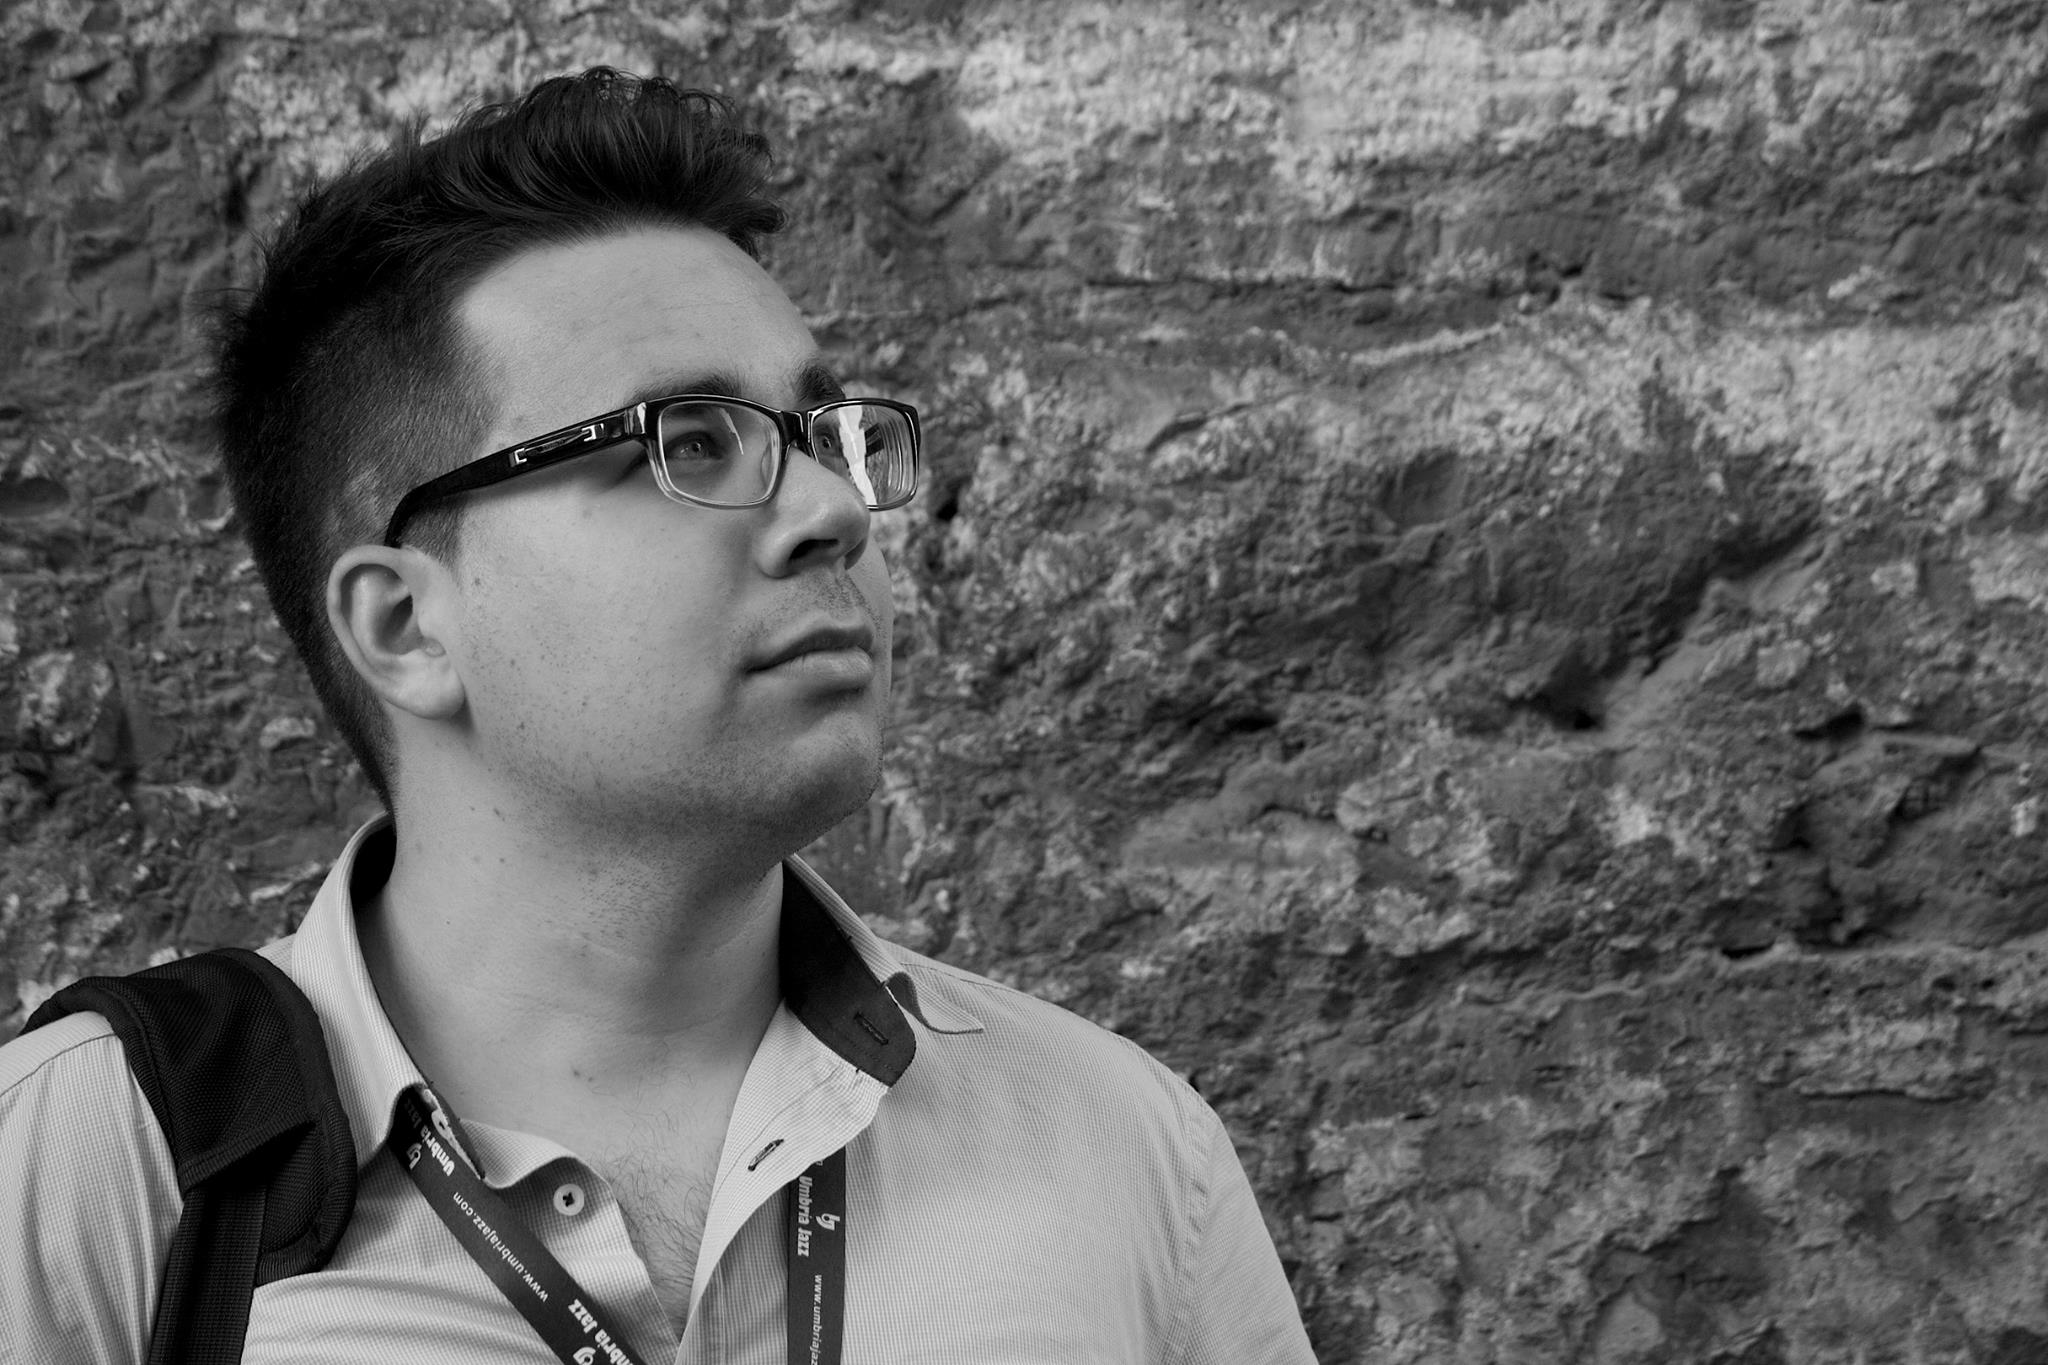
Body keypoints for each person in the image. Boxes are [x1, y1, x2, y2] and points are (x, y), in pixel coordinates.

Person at [0, 68, 1316, 1364]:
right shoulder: (103, 1170)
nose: (835, 513)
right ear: (406, 626)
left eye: (822, 437)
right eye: (689, 443)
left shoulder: (1123, 1155)